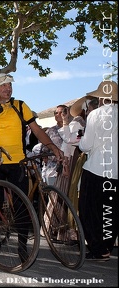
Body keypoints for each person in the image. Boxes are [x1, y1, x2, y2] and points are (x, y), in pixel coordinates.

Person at [0, 73, 63, 263]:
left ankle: (22, 246)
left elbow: (36, 129)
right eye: (3, 85)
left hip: (18, 163)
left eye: (9, 85)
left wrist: (51, 146)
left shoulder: (20, 106)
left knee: (22, 205)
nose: (8, 88)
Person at [78, 80, 118, 261]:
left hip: (96, 167)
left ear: (102, 97)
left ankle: (97, 248)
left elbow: (86, 145)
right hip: (116, 171)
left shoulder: (95, 115)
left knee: (89, 210)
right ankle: (107, 247)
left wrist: (79, 144)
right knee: (111, 211)